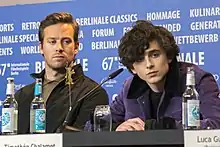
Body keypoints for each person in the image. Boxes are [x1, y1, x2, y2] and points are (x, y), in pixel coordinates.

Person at [110, 20, 220, 131]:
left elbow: (216, 124)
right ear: (133, 68)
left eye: (155, 55)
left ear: (169, 56)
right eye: (140, 59)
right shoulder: (129, 87)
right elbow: (97, 125)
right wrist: (116, 128)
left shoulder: (197, 80)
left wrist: (166, 127)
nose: (149, 65)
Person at [15, 12, 108, 134]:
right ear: (41, 47)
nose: (59, 47)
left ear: (76, 47)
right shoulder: (22, 96)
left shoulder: (92, 93)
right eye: (52, 42)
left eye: (66, 41)